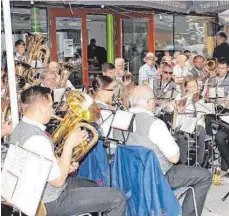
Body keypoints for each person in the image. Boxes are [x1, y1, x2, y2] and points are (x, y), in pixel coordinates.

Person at [10, 86, 126, 216]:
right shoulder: (38, 139)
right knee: (117, 197)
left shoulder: (20, 128)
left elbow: (42, 165)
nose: (52, 110)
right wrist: (68, 146)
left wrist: (65, 164)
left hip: (34, 193)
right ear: (41, 109)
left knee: (92, 185)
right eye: (50, 106)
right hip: (49, 201)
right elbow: (58, 181)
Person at [113, 85, 211, 216]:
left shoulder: (119, 119)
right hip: (156, 178)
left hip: (126, 176)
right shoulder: (155, 124)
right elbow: (175, 158)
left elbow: (114, 150)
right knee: (204, 175)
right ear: (149, 102)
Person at [174, 76, 206, 165]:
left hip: (196, 124)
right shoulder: (179, 96)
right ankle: (183, 164)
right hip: (182, 124)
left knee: (201, 133)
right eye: (190, 87)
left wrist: (194, 102)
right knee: (181, 139)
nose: (193, 89)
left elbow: (201, 113)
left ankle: (199, 162)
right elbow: (175, 111)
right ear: (186, 87)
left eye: (194, 86)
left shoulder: (200, 97)